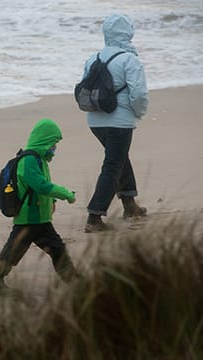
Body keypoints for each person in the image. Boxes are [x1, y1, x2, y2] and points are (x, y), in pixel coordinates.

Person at [0, 118, 79, 296]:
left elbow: (42, 188)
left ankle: (75, 282)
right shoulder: (28, 160)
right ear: (45, 141)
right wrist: (66, 194)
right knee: (13, 252)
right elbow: (41, 186)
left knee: (57, 249)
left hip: (41, 219)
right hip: (29, 218)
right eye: (53, 143)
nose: (55, 148)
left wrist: (52, 202)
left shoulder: (40, 160)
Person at [81, 14, 149, 233]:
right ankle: (94, 217)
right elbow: (138, 94)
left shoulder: (93, 58)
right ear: (128, 32)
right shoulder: (130, 59)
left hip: (94, 120)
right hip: (119, 122)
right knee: (113, 164)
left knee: (118, 158)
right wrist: (138, 114)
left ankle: (130, 205)